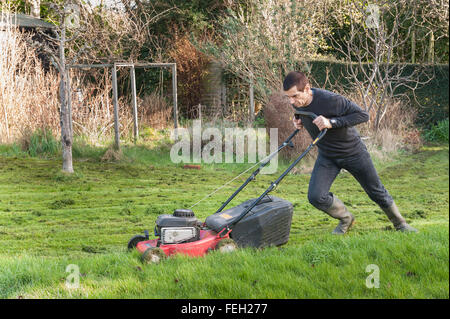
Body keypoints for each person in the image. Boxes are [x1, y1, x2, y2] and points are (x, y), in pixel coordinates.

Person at [283, 71, 417, 234]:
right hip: (328, 156)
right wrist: (297, 120)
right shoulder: (297, 102)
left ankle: (400, 224)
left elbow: (362, 115)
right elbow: (301, 113)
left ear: (307, 88)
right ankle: (346, 219)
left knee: (376, 191)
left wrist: (331, 122)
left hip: (353, 152)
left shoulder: (332, 100)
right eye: (289, 97)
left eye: (295, 96)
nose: (292, 101)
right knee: (316, 196)